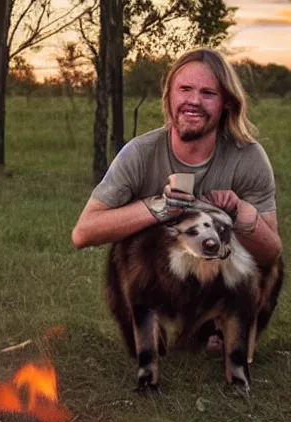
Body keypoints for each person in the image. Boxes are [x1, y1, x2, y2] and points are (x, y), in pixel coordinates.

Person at [71, 47, 282, 352]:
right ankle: (146, 337)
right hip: (164, 271)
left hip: (219, 267)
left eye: (208, 92)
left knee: (268, 257)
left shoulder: (248, 157)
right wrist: (159, 207)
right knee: (124, 248)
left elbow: (270, 257)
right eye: (185, 89)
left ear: (226, 103)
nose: (193, 100)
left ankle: (223, 335)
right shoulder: (140, 153)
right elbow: (83, 232)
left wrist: (238, 212)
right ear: (169, 96)